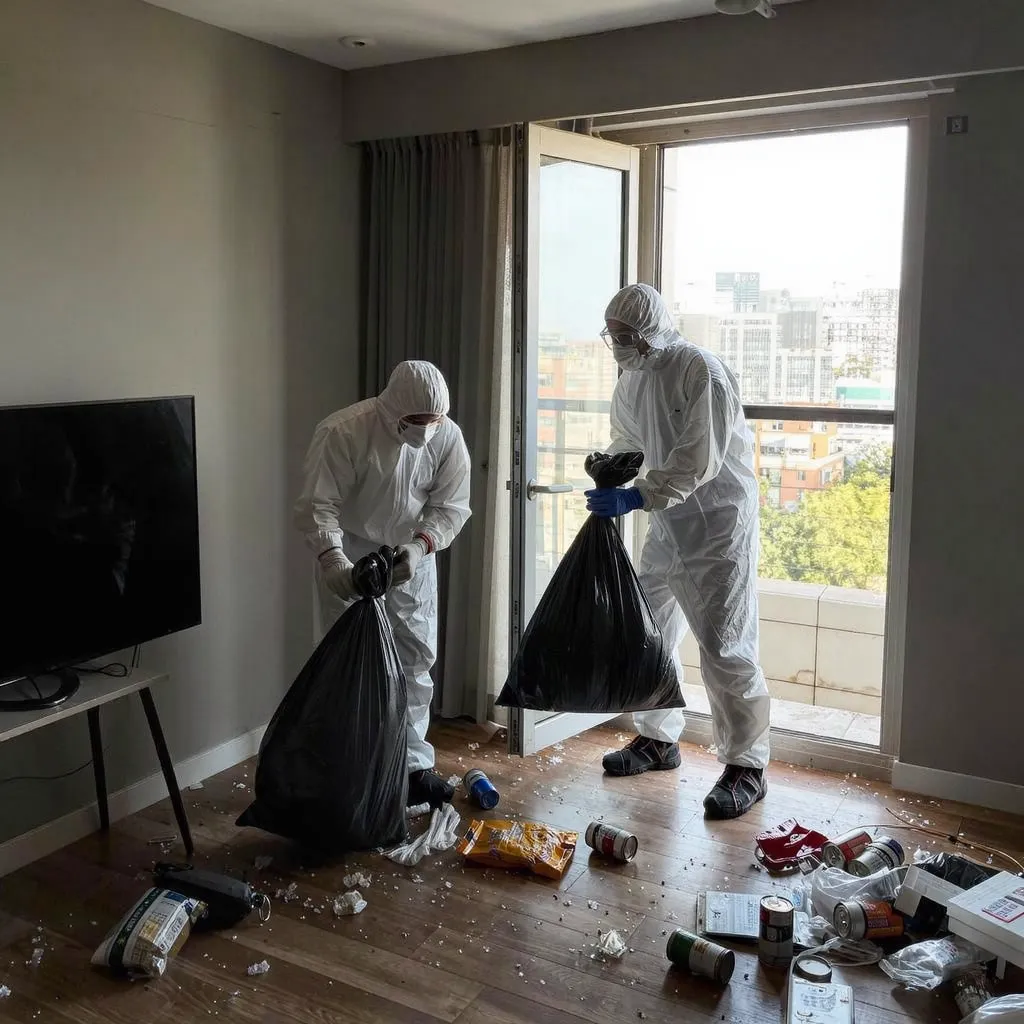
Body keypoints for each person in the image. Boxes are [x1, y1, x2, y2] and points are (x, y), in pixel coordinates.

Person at [585, 283, 771, 820]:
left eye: (625, 335)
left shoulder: (700, 371)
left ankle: (747, 766)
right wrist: (612, 466)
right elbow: (628, 437)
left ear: (651, 330)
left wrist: (637, 495)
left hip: (716, 527)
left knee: (725, 645)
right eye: (612, 335)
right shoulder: (633, 379)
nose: (618, 345)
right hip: (667, 524)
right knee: (651, 629)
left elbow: (698, 460)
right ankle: (657, 738)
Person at [294, 360, 472, 809]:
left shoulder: (447, 435)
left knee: (414, 661)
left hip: (410, 557)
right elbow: (319, 505)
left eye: (433, 420)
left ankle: (412, 767)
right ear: (391, 409)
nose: (425, 429)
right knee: (347, 666)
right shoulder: (344, 432)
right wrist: (333, 560)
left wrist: (420, 546)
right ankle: (347, 769)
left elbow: (450, 506)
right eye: (415, 421)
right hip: (350, 553)